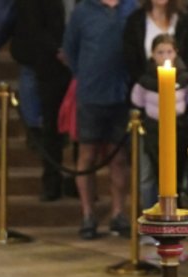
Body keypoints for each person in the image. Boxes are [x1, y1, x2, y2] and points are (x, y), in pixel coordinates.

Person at [63, 0, 136, 239]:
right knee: (87, 156)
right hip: (91, 94)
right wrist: (86, 75)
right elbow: (70, 50)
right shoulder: (83, 11)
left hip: (122, 94)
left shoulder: (131, 8)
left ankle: (118, 213)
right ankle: (88, 214)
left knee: (119, 157)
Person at [9, 0, 70, 202]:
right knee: (51, 126)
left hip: (76, 61)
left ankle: (78, 183)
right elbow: (32, 26)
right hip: (47, 64)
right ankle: (52, 182)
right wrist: (59, 51)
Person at [130, 34, 188, 206]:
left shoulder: (186, 80)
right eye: (160, 52)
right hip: (152, 132)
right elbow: (137, 107)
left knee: (177, 175)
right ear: (152, 55)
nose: (165, 57)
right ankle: (150, 213)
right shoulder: (144, 82)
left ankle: (176, 212)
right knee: (149, 176)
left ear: (176, 53)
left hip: (179, 131)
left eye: (169, 52)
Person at [122, 0, 188, 86]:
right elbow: (131, 59)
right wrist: (148, 84)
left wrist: (180, 84)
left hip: (180, 87)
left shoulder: (185, 19)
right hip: (145, 87)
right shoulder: (135, 20)